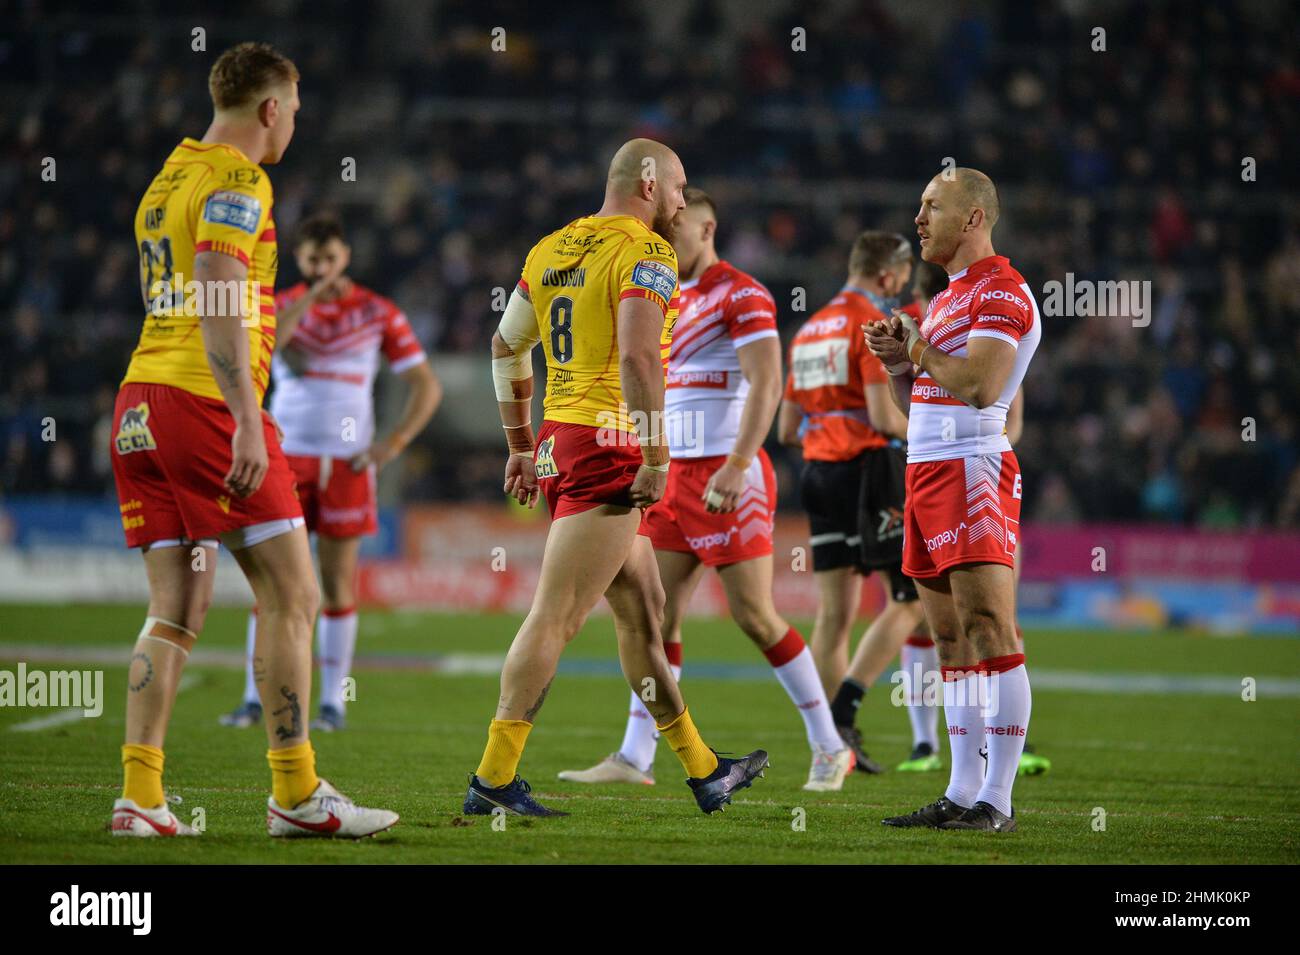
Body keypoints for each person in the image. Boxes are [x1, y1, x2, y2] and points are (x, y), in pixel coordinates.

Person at [109, 42, 396, 838]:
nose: (295, 123)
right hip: (204, 403)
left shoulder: (170, 174)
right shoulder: (241, 180)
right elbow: (219, 293)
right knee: (295, 594)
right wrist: (243, 414)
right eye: (295, 109)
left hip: (139, 402)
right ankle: (297, 793)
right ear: (271, 108)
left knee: (175, 606)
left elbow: (160, 289)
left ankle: (140, 797)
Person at [466, 140, 768, 817]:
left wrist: (519, 445)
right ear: (651, 182)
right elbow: (637, 354)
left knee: (643, 616)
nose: (685, 202)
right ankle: (492, 778)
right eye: (682, 187)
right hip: (608, 447)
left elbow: (506, 345)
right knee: (556, 617)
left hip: (558, 439)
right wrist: (657, 457)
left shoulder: (550, 248)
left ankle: (703, 768)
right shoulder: (648, 253)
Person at [558, 188, 853, 792]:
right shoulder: (661, 293)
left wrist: (739, 462)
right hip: (670, 473)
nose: (667, 238)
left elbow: (768, 380)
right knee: (652, 617)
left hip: (726, 470)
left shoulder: (740, 292)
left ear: (708, 227)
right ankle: (634, 756)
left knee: (754, 615)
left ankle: (830, 745)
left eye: (679, 228)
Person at [219, 214, 441, 732]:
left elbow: (426, 386)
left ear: (346, 256)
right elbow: (272, 347)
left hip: (346, 463)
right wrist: (310, 296)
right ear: (301, 260)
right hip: (285, 458)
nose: (323, 268)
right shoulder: (279, 306)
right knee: (270, 585)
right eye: (313, 260)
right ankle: (254, 699)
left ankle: (333, 704)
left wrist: (391, 446)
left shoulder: (377, 312)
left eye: (331, 258)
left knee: (339, 586)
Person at [867, 168, 1041, 832]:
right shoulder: (946, 299)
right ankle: (960, 789)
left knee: (990, 627)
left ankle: (996, 798)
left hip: (973, 467)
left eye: (930, 206)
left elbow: (978, 384)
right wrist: (897, 367)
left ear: (971, 218)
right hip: (926, 469)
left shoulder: (1002, 290)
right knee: (946, 637)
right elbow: (922, 405)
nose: (918, 218)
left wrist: (916, 345)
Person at [776, 231, 925, 774]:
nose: (901, 290)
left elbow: (787, 428)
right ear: (889, 275)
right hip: (870, 473)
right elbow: (885, 417)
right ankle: (845, 711)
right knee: (909, 599)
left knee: (833, 616)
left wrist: (829, 431)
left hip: (818, 474)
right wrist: (936, 429)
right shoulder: (871, 325)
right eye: (902, 281)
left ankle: (832, 740)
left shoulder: (809, 329)